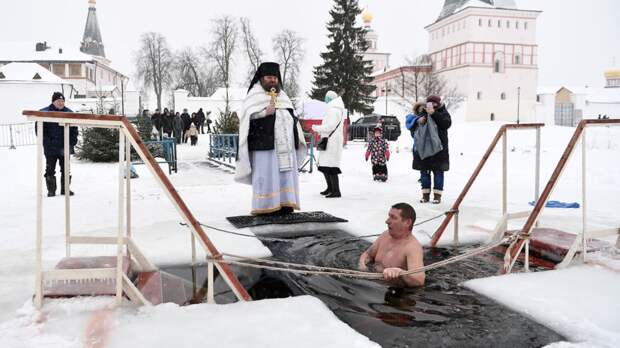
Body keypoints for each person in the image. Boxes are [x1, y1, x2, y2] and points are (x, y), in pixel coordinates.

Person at [235, 62, 307, 215]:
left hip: (286, 148)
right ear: (261, 78)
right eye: (269, 77)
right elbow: (247, 118)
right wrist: (263, 113)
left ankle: (286, 204)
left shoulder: (283, 96)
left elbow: (292, 116)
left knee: (286, 176)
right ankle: (266, 206)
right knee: (268, 175)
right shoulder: (254, 95)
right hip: (265, 147)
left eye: (275, 77)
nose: (273, 80)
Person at [359, 203, 425, 287]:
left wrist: (401, 272)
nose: (387, 221)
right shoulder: (385, 235)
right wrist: (362, 265)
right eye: (389, 216)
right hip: (373, 285)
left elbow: (419, 281)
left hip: (396, 292)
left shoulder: (412, 248)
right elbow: (368, 254)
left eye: (393, 217)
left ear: (407, 222)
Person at [411, 95, 452, 204]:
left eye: (434, 103)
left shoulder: (443, 113)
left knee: (438, 173)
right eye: (430, 103)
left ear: (438, 104)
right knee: (424, 173)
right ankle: (425, 195)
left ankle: (437, 196)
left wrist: (434, 114)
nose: (432, 105)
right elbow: (414, 132)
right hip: (424, 149)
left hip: (439, 150)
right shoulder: (422, 113)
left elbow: (446, 124)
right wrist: (419, 121)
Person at [37, 92, 78, 197]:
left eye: (62, 101)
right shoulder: (44, 112)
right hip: (51, 147)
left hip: (65, 147)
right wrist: (47, 142)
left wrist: (72, 142)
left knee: (66, 169)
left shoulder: (69, 113)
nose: (61, 103)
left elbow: (74, 129)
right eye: (58, 101)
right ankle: (51, 190)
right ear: (53, 101)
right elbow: (40, 130)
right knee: (50, 169)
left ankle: (65, 189)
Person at [312, 90, 345, 198]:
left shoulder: (333, 110)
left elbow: (330, 126)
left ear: (330, 99)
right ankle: (330, 188)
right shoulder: (334, 109)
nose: (325, 100)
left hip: (332, 142)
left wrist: (317, 128)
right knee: (325, 165)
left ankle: (336, 191)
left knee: (331, 166)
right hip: (330, 141)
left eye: (326, 98)